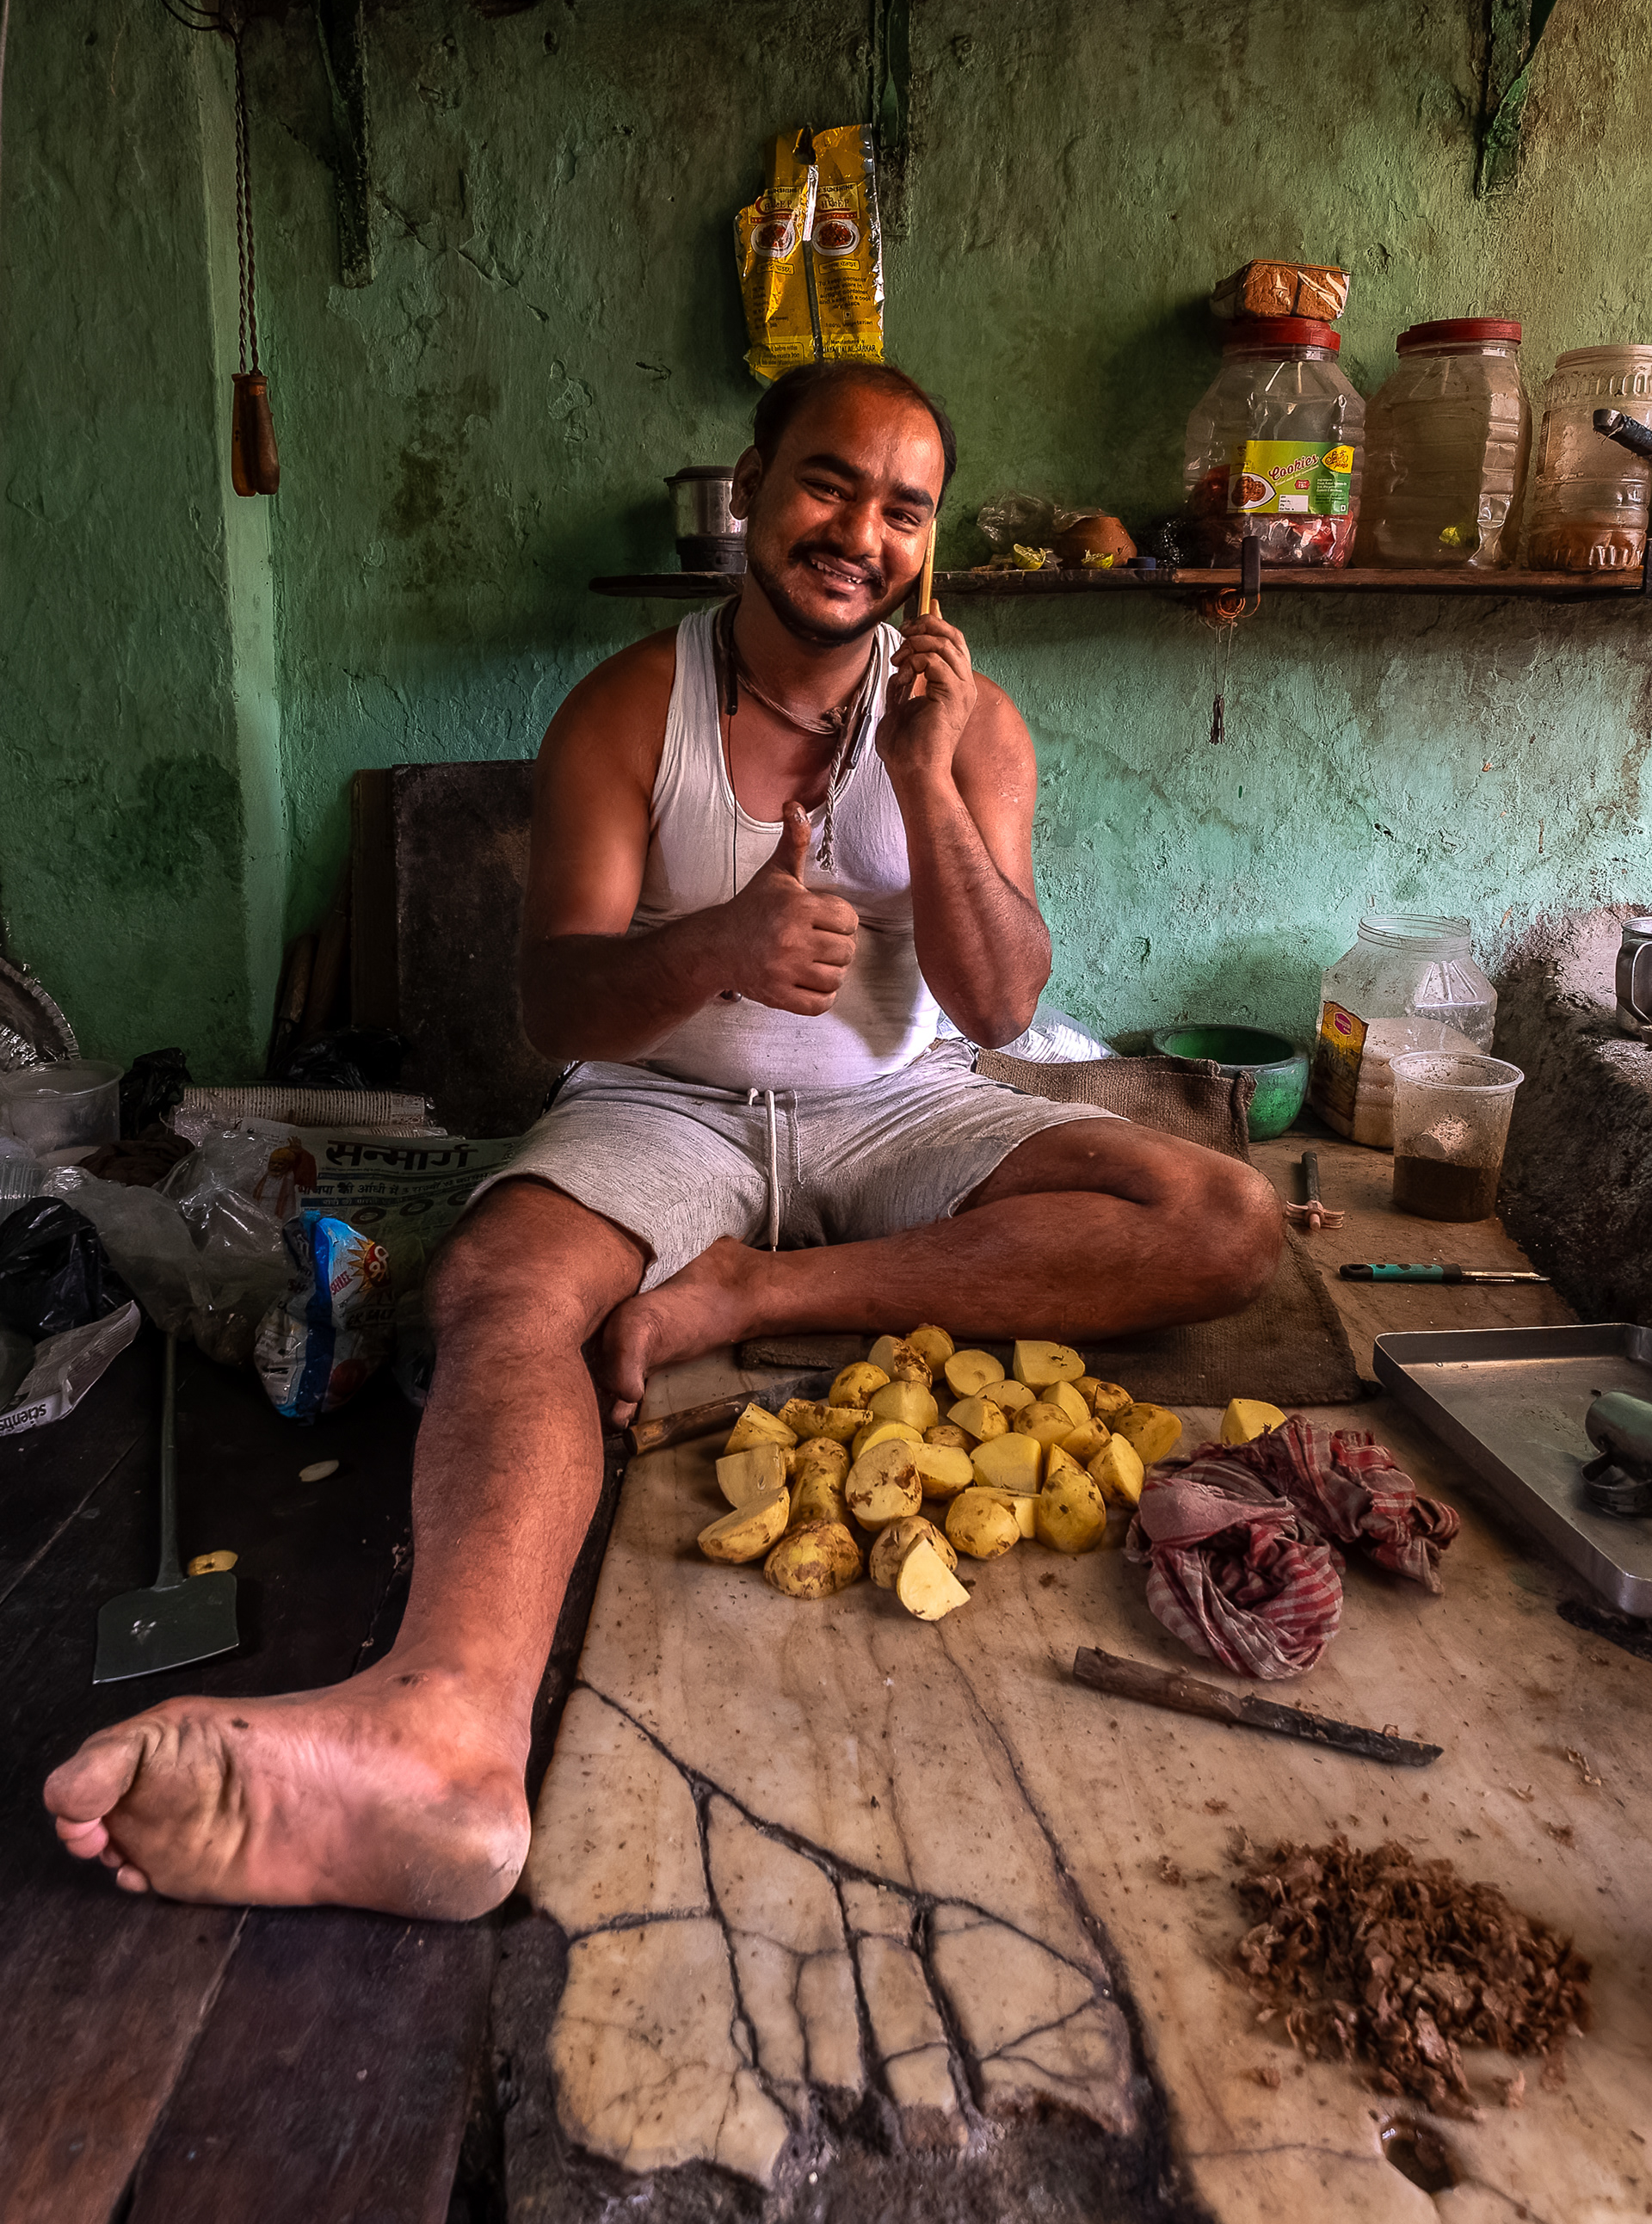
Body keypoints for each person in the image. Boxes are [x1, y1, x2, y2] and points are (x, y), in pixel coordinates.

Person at [45, 360, 1280, 1919]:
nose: (862, 532)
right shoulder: (633, 706)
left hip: (904, 1106)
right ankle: (446, 1739)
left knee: (1222, 1218)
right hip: (664, 1111)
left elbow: (1002, 998)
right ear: (754, 485)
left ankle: (756, 1295)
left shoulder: (969, 720)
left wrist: (923, 780)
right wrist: (715, 948)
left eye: (905, 509)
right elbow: (556, 1006)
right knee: (500, 1294)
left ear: (929, 540)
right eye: (830, 484)